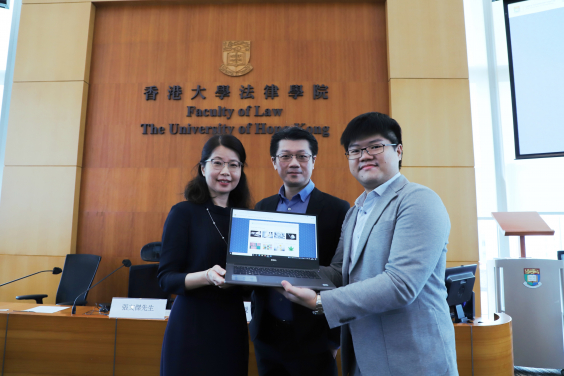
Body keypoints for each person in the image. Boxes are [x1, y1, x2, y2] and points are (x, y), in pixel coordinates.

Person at [280, 112, 458, 376]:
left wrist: (320, 302)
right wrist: (282, 271)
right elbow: (340, 272)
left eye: (375, 146)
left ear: (398, 151)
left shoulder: (418, 200)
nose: (364, 155)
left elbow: (400, 284)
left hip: (412, 359)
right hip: (364, 359)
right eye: (355, 150)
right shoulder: (355, 211)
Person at [250, 127, 350, 376]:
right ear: (274, 162)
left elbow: (343, 275)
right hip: (268, 335)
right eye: (285, 156)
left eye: (302, 156)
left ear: (313, 161)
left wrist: (334, 340)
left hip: (315, 338)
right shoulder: (262, 208)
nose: (294, 163)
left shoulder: (338, 209)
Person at [157, 135, 251, 376]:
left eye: (234, 164)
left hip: (232, 323)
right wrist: (207, 276)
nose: (226, 172)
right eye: (217, 163)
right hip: (191, 323)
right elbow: (166, 278)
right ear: (203, 167)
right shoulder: (183, 213)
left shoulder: (248, 218)